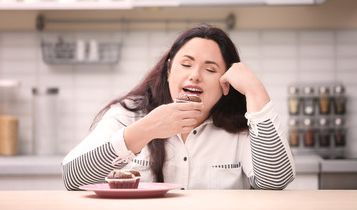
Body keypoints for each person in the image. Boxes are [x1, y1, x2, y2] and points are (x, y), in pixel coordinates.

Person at [62, 24, 295, 190]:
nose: (195, 76)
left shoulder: (240, 128)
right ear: (169, 70)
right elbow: (73, 178)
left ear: (226, 84)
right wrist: (146, 129)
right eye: (186, 64)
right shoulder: (129, 114)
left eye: (210, 69)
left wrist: (255, 90)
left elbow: (275, 181)